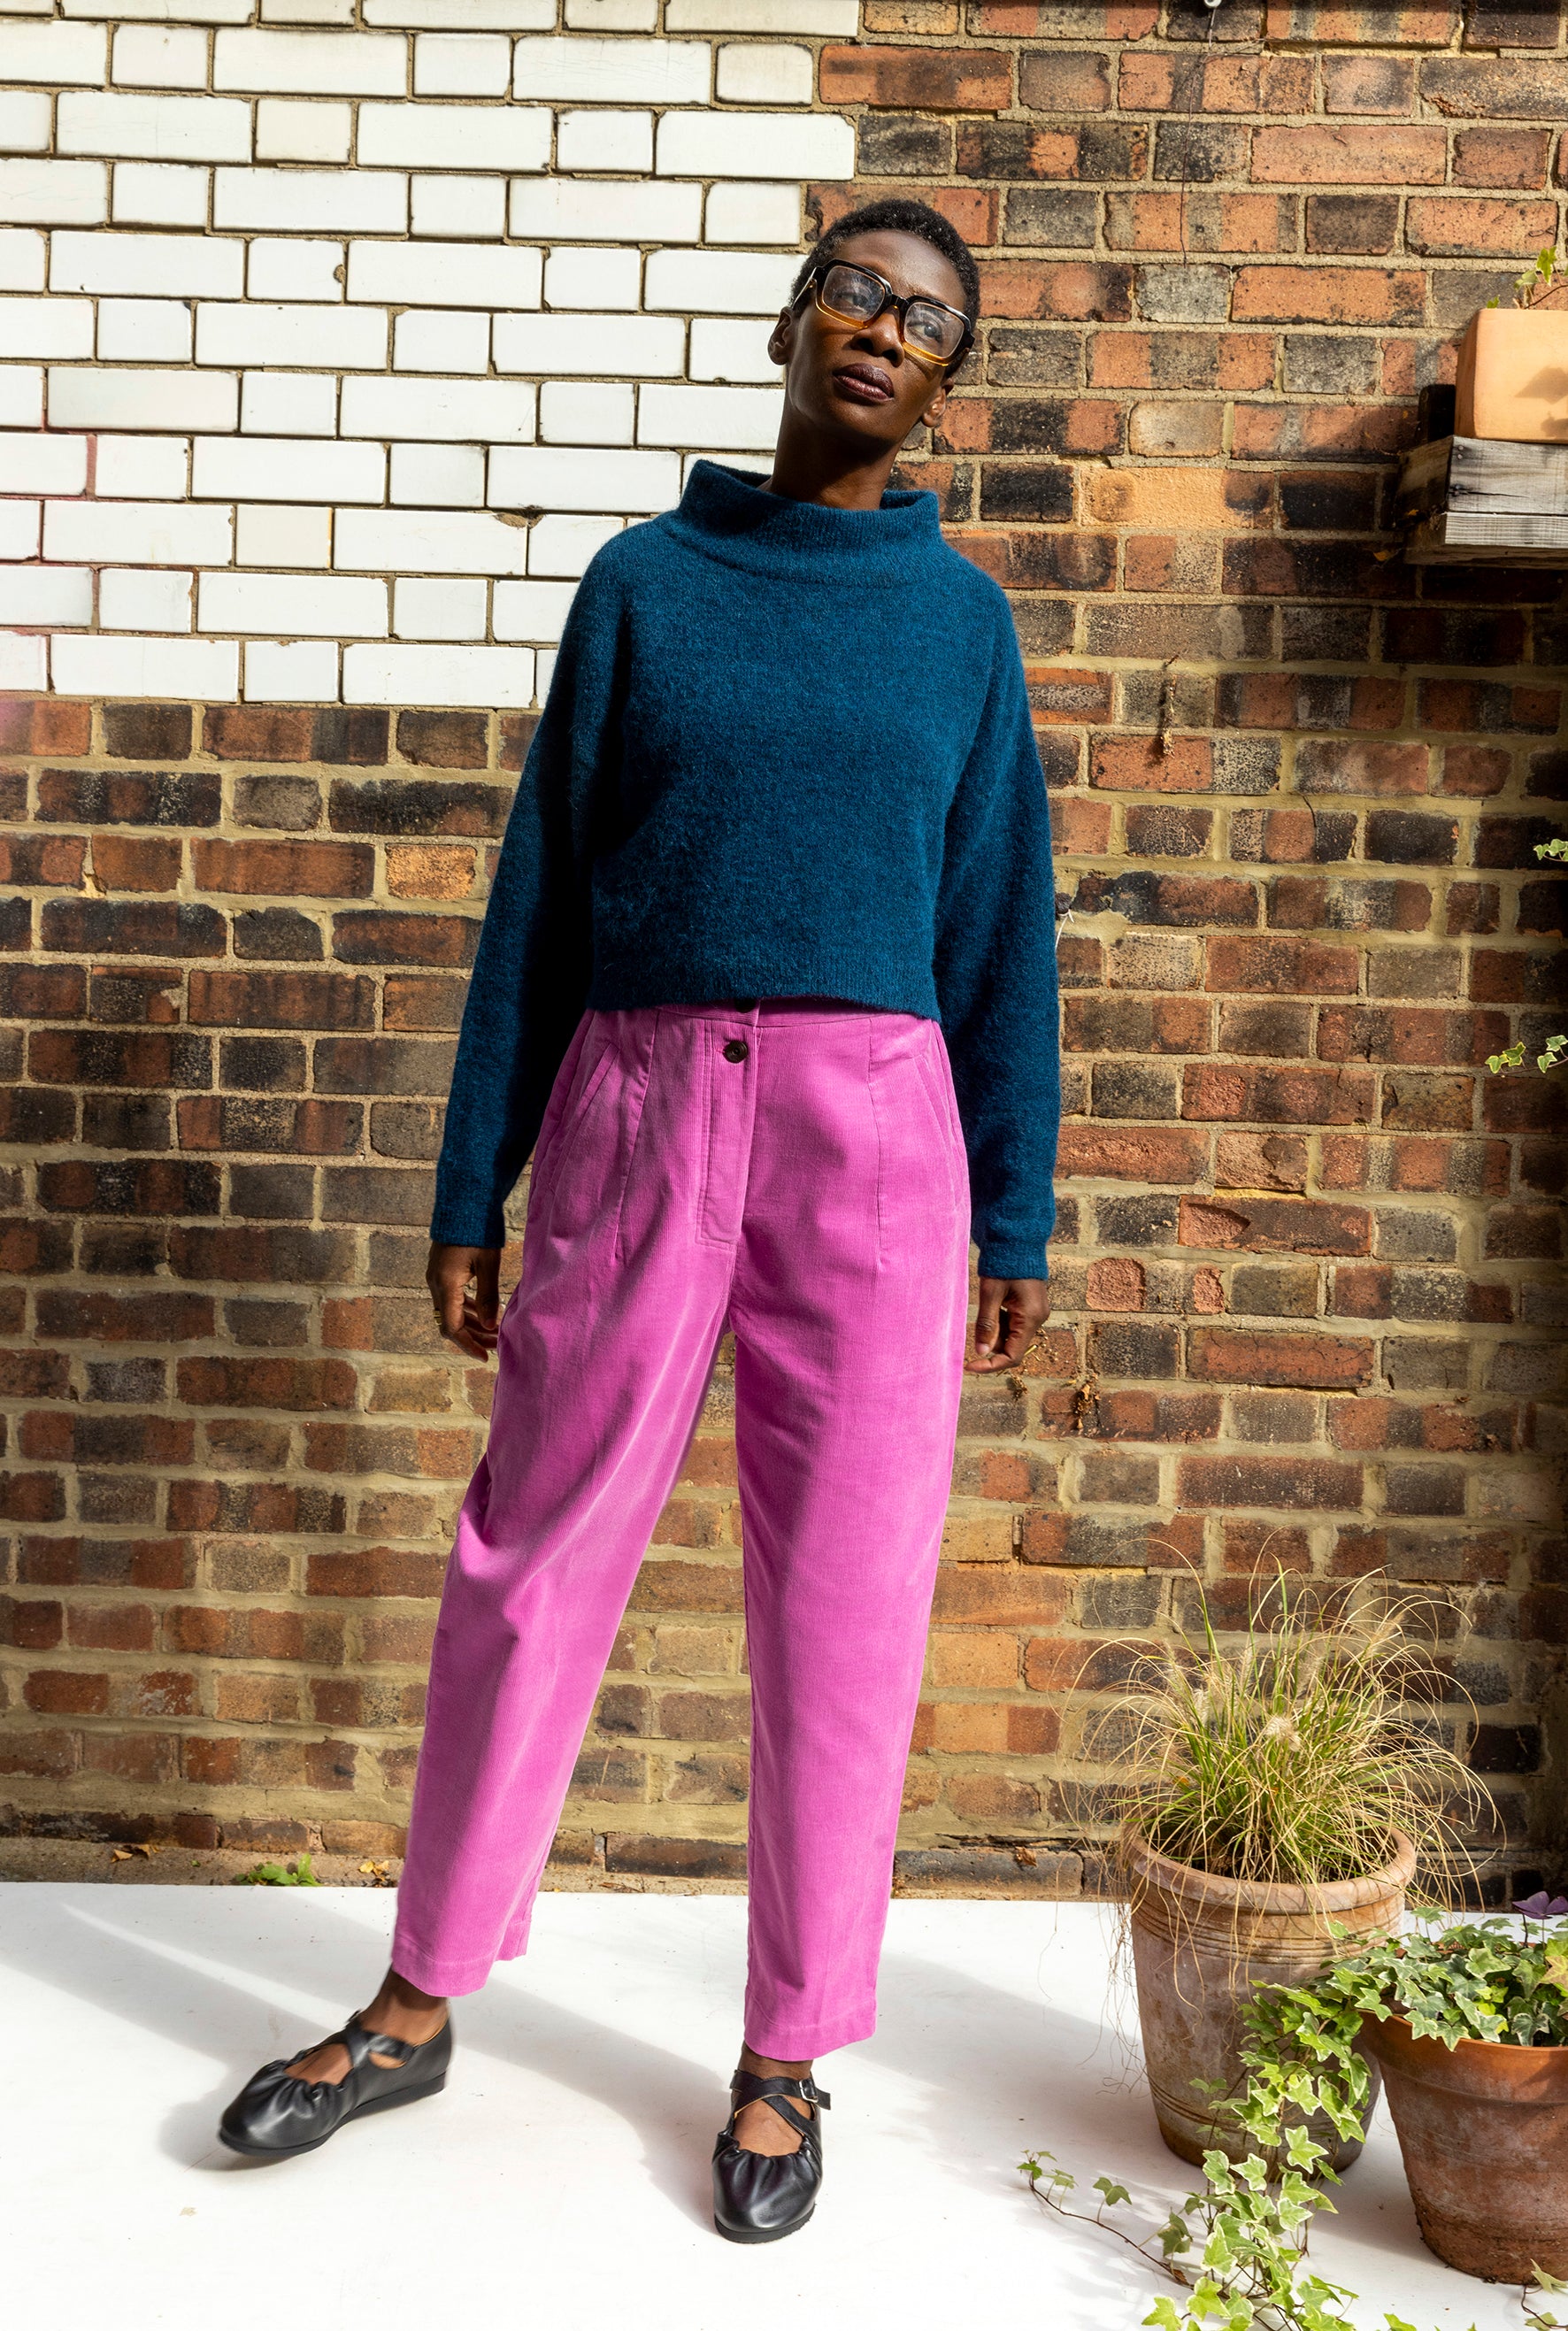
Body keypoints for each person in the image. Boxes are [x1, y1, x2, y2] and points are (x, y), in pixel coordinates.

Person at [219, 196, 1061, 2245]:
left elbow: (998, 930)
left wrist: (1014, 1215)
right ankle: (421, 1998)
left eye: (926, 320)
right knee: (529, 1553)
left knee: (844, 1601)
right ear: (791, 321)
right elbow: (545, 899)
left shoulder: (959, 625)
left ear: (950, 376)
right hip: (635, 1109)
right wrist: (468, 1176)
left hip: (878, 1140)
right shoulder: (644, 587)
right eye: (853, 291)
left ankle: (788, 2049)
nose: (880, 330)